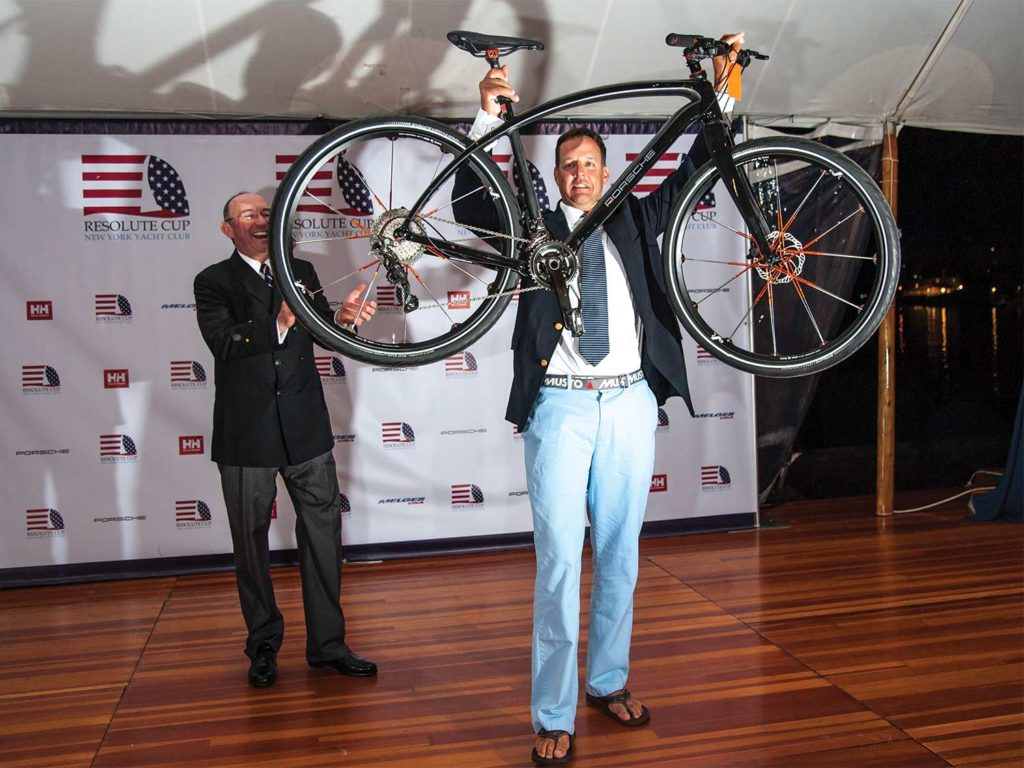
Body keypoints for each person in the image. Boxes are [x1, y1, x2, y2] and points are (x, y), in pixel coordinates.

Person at [458, 33, 745, 764]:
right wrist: (485, 120)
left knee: (620, 555)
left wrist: (726, 82)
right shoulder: (531, 229)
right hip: (558, 407)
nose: (579, 174)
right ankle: (552, 713)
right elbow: (469, 202)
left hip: (628, 405)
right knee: (559, 564)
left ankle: (607, 681)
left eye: (589, 163)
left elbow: (702, 164)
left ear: (607, 170)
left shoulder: (637, 218)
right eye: (568, 165)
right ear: (554, 176)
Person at [194, 191, 378, 688]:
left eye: (267, 212)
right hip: (245, 435)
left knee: (322, 537)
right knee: (250, 545)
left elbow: (321, 333)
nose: (261, 220)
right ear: (228, 229)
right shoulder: (212, 281)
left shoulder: (302, 271)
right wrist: (277, 322)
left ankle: (328, 646)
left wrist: (342, 320)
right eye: (248, 214)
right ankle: (262, 646)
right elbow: (223, 343)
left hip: (305, 429)